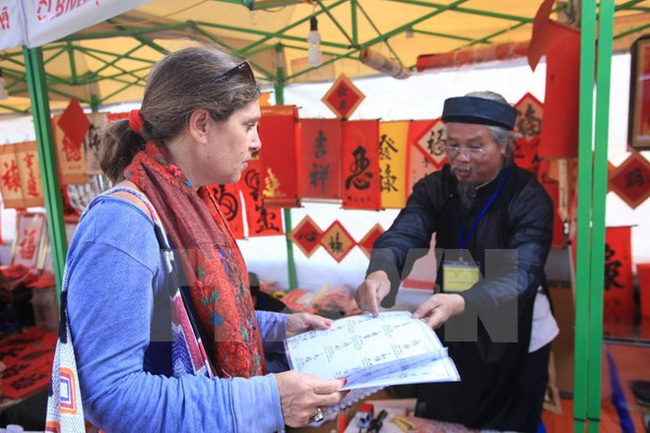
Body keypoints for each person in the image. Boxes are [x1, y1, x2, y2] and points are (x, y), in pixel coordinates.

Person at [64, 46, 345, 432]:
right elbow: (108, 395)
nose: (258, 142)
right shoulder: (120, 225)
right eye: (248, 126)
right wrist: (266, 399)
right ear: (201, 125)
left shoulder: (188, 202)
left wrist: (279, 329)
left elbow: (187, 322)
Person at [355, 91, 558, 432]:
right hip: (456, 312)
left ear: (503, 145)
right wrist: (381, 272)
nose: (461, 158)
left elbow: (521, 275)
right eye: (452, 146)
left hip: (515, 319)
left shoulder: (529, 197)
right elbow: (406, 232)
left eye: (476, 147)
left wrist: (461, 301)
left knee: (508, 419)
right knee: (448, 413)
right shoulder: (436, 186)